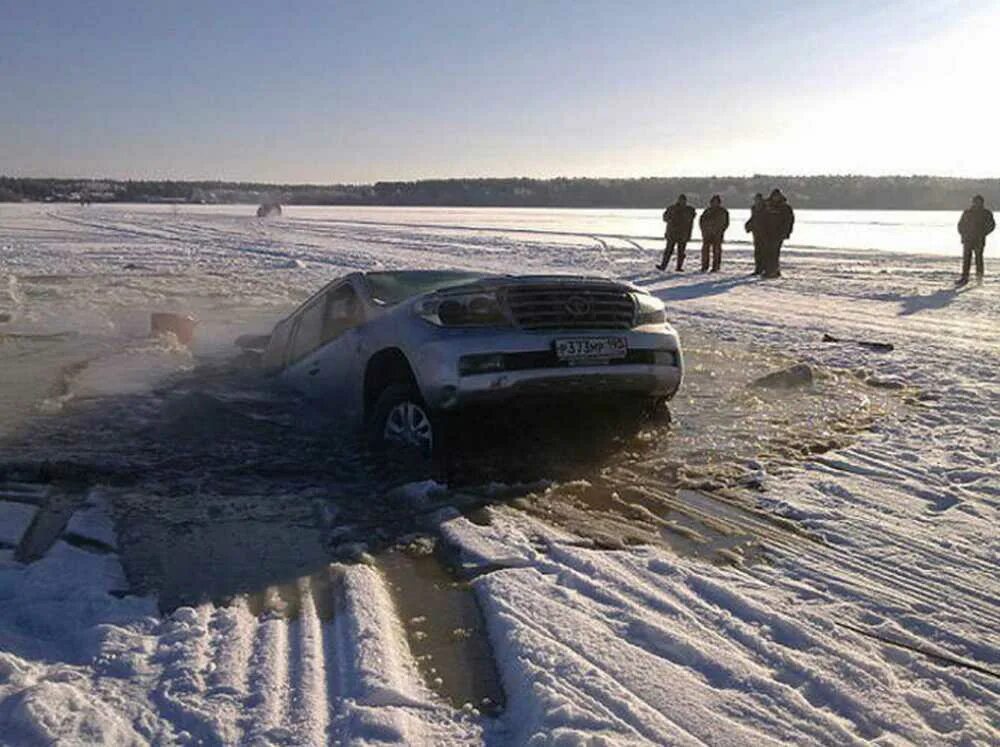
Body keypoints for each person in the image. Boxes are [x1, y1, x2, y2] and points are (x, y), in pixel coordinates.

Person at [957, 195, 995, 285]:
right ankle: (964, 278)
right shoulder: (967, 212)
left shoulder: (986, 213)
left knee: (979, 259)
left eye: (979, 201)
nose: (977, 203)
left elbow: (991, 226)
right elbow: (961, 225)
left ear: (982, 202)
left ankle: (979, 278)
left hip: (979, 239)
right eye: (975, 201)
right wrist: (963, 234)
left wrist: (983, 233)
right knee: (966, 260)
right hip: (968, 239)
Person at [757, 189, 795, 278]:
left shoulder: (785, 208)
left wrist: (786, 232)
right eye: (774, 196)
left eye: (777, 196)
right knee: (766, 252)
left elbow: (789, 221)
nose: (776, 198)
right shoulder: (767, 207)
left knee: (774, 253)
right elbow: (761, 219)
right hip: (766, 233)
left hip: (778, 234)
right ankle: (769, 270)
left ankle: (773, 270)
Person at [657, 194, 696, 271]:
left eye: (683, 200)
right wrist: (673, 219)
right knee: (668, 251)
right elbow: (665, 218)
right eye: (680, 200)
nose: (682, 202)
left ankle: (679, 267)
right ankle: (663, 266)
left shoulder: (689, 210)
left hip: (683, 234)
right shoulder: (671, 208)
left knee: (681, 252)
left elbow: (691, 218)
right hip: (672, 233)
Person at [699, 195, 730, 272]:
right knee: (705, 251)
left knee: (716, 251)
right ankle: (704, 266)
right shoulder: (707, 211)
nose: (714, 203)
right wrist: (704, 230)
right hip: (707, 234)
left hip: (717, 234)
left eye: (716, 202)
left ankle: (716, 267)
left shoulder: (723, 211)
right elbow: (701, 221)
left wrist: (721, 231)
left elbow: (726, 223)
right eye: (713, 202)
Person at [744, 193, 765, 274]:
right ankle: (758, 268)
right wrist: (748, 225)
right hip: (756, 232)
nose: (757, 201)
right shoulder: (754, 208)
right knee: (757, 251)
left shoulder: (765, 208)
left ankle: (764, 268)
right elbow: (753, 218)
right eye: (756, 200)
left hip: (764, 232)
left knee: (764, 251)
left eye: (758, 199)